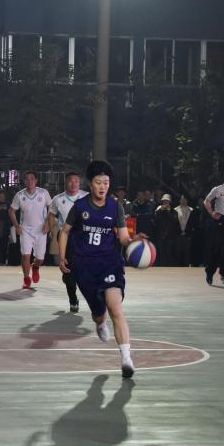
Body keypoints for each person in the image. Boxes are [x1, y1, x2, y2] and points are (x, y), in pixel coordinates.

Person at [58, 160, 146, 378]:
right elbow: (65, 231)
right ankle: (100, 322)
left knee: (115, 307)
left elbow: (123, 238)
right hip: (84, 266)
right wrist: (62, 257)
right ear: (91, 184)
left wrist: (133, 241)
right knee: (99, 314)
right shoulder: (80, 207)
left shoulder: (115, 207)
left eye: (106, 183)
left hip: (109, 262)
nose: (103, 187)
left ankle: (126, 359)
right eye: (98, 182)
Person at [48, 172, 88, 312]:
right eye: (70, 181)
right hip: (65, 236)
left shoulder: (87, 197)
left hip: (84, 236)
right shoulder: (58, 199)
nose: (73, 183)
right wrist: (52, 230)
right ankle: (73, 299)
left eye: (76, 181)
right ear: (66, 183)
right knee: (67, 269)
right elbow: (51, 215)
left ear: (79, 183)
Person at [10, 171, 52, 289]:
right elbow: (11, 211)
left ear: (36, 180)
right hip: (26, 230)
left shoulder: (43, 193)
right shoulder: (19, 195)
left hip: (41, 230)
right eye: (27, 179)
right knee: (25, 255)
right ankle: (26, 279)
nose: (30, 181)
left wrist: (47, 223)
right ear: (24, 181)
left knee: (40, 258)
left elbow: (51, 208)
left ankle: (36, 267)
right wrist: (17, 226)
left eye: (32, 179)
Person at [174, 194, 195, 267]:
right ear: (179, 200)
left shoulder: (191, 210)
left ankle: (186, 268)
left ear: (187, 200)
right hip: (178, 234)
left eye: (185, 199)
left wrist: (190, 232)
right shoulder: (175, 210)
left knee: (187, 253)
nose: (183, 201)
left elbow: (193, 223)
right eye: (182, 199)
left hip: (187, 235)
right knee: (177, 253)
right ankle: (177, 268)